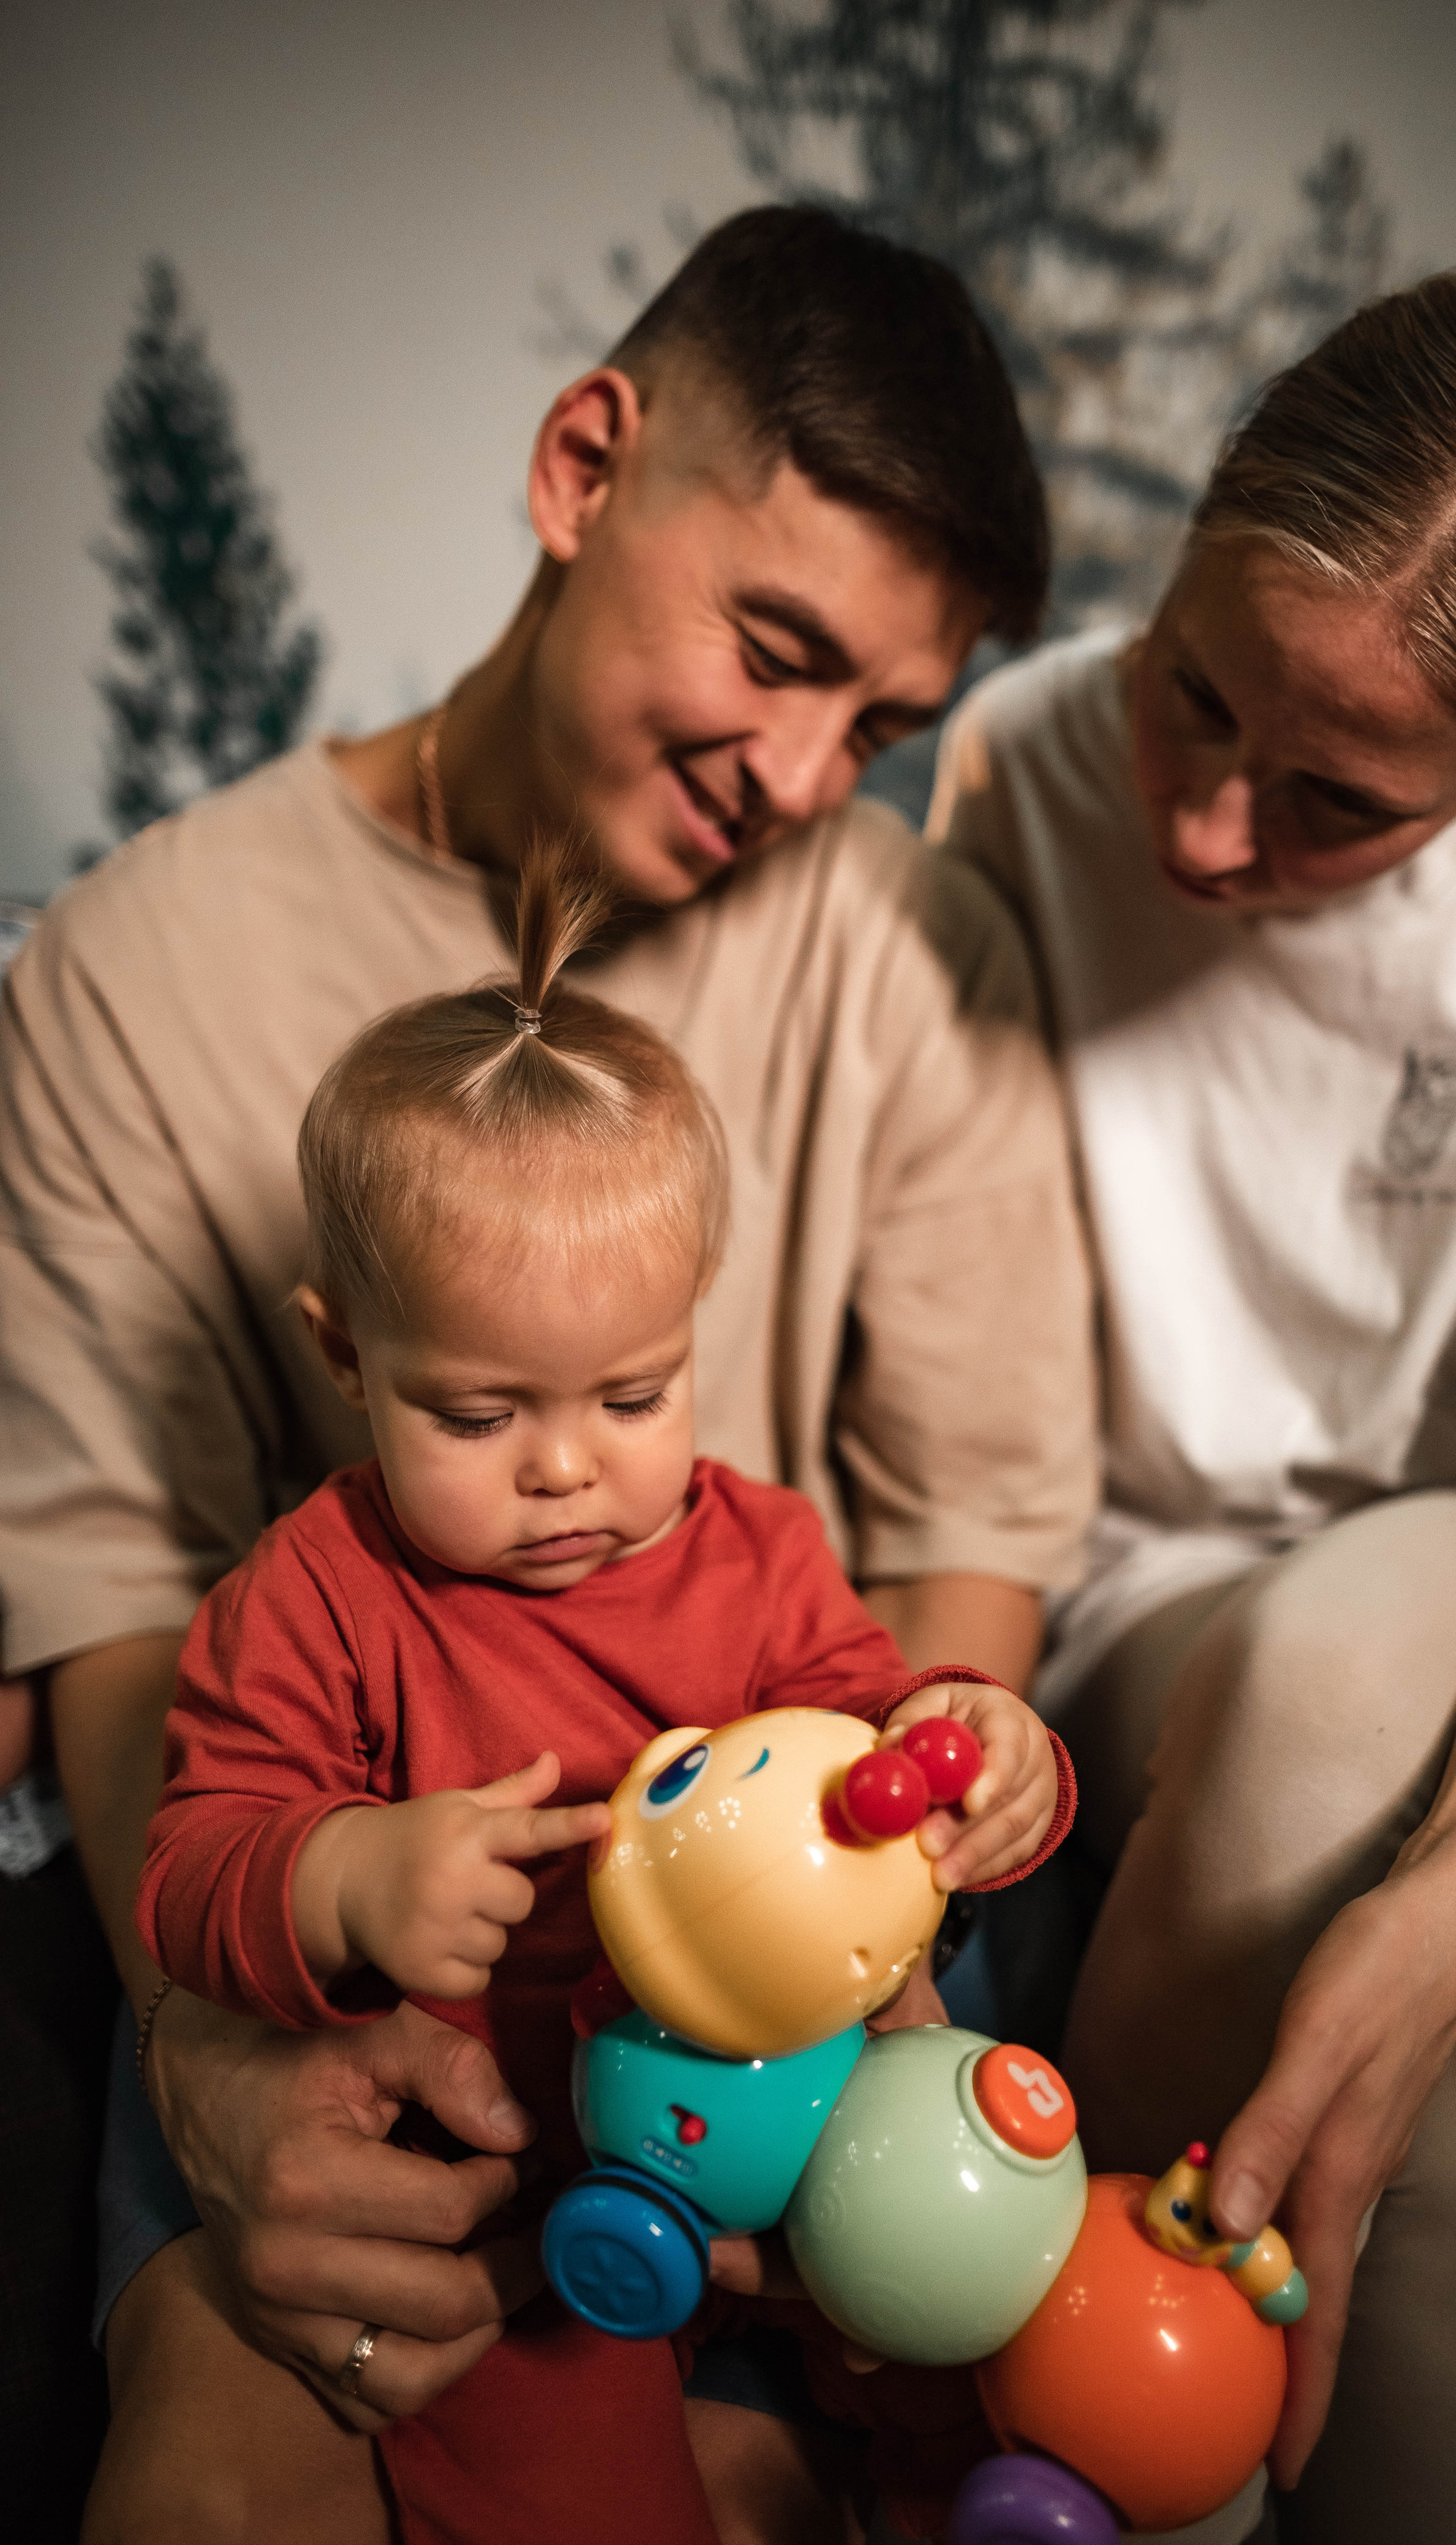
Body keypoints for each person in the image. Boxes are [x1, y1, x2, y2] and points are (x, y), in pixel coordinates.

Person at [0, 206, 1096, 2541]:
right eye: (777, 654)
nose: (805, 773)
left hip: (796, 1957)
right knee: (221, 2483)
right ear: (584, 467)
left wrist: (895, 1888)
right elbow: (116, 1613)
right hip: (344, 1927)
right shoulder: (125, 972)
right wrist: (216, 2053)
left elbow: (965, 1559)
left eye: (880, 727)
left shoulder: (920, 953)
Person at [928, 271, 1456, 2545]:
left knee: (1356, 1669)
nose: (1199, 830)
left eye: (1337, 801)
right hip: (1166, 1584)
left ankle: (1033, 2427)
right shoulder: (1020, 760)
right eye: (1194, 688)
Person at [131, 848, 1069, 2543]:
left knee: (973, 2318)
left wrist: (979, 1747)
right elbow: (192, 1870)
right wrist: (342, 1872)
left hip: (799, 2109)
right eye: (478, 1417)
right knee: (573, 2472)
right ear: (344, 1356)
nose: (566, 1470)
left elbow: (876, 1731)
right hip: (519, 2188)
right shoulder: (316, 1598)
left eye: (634, 1397)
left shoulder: (759, 1552)